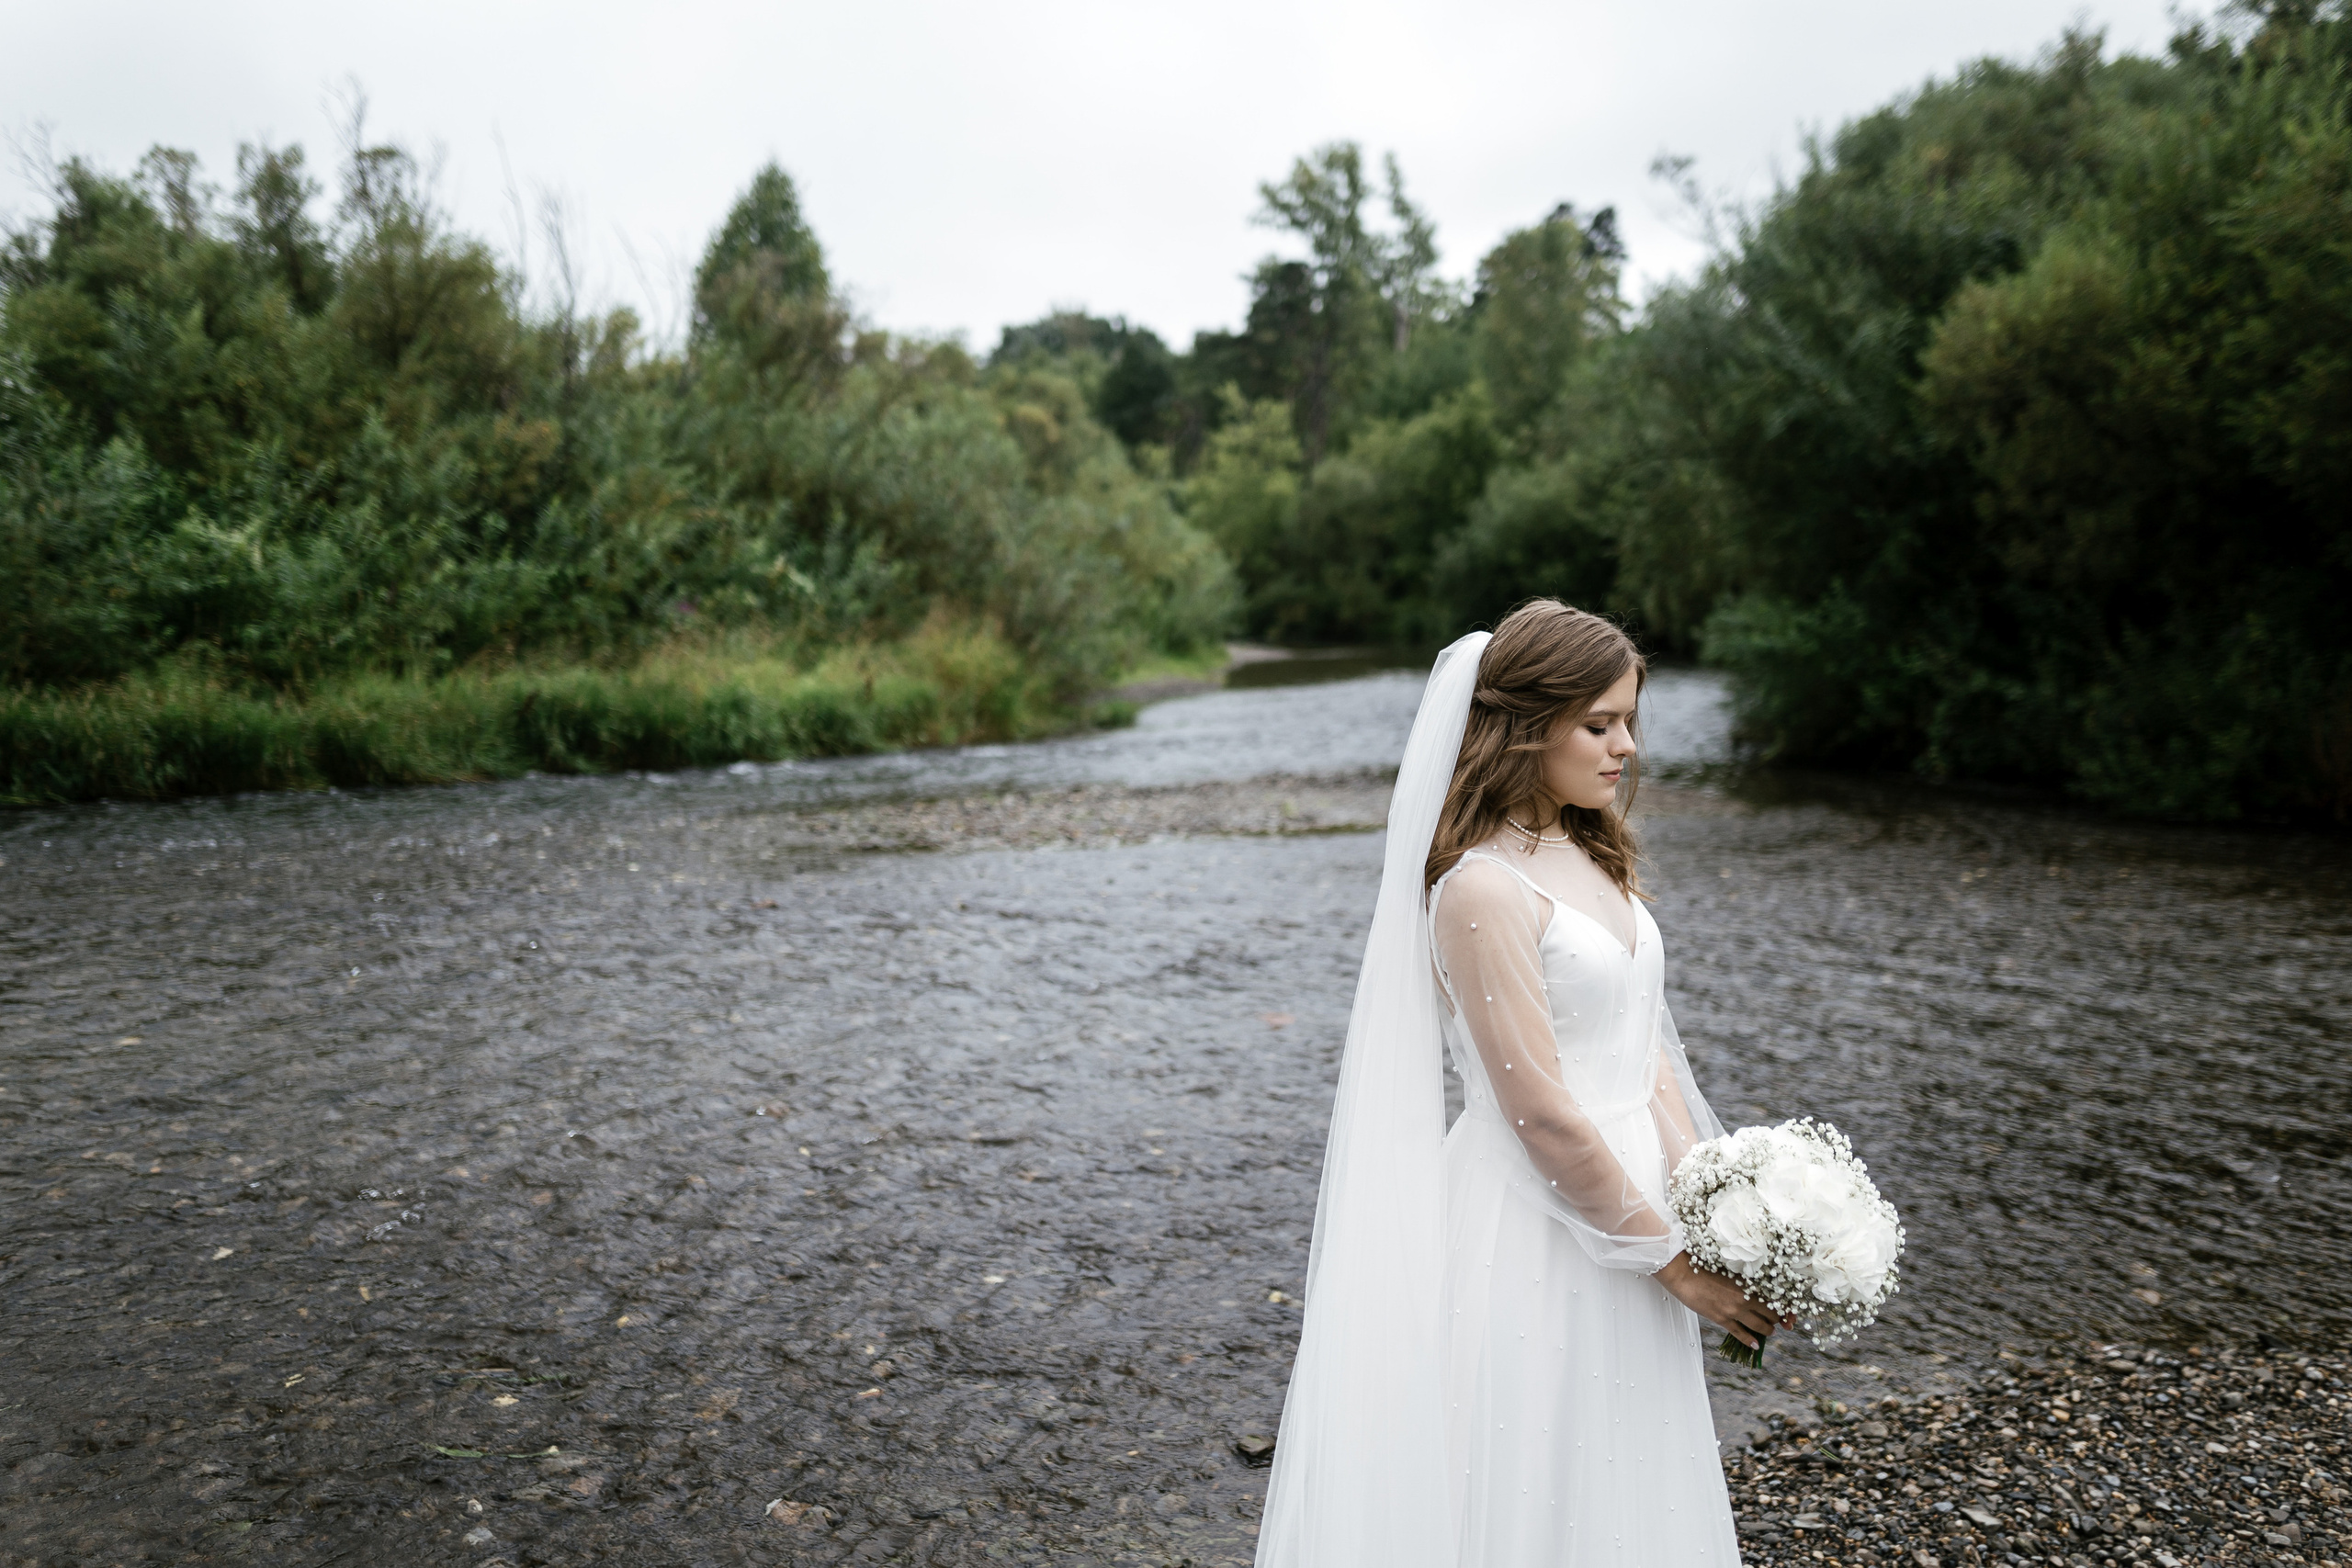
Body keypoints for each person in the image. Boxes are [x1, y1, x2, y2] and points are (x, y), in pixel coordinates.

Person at [1256, 600, 1781, 1566]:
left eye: (1629, 721)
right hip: (1534, 1229)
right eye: (1599, 724)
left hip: (1631, 1206)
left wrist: (1715, 1201)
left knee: (1624, 1471)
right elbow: (1538, 1111)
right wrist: (1667, 1259)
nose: (1625, 746)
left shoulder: (1589, 852)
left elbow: (1645, 1057)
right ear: (1525, 726)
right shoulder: (1481, 888)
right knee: (1532, 1476)